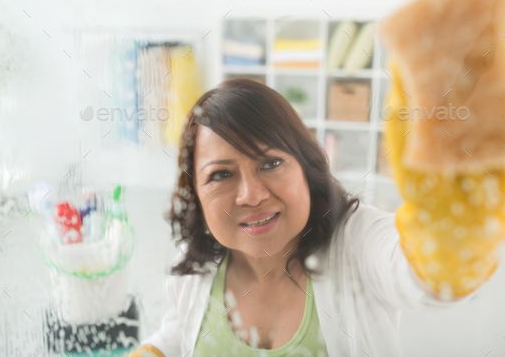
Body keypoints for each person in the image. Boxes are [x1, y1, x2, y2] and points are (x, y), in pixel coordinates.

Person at [128, 78, 483, 357]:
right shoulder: (198, 264)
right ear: (196, 195)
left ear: (307, 167)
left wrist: (450, 212)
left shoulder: (358, 244)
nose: (251, 194)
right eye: (221, 175)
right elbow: (181, 331)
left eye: (270, 163)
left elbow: (423, 277)